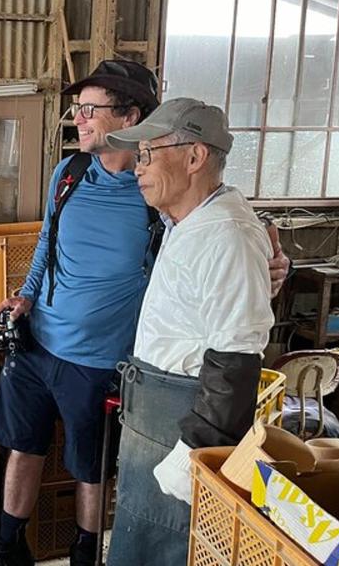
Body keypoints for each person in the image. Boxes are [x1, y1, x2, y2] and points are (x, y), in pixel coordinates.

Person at [0, 62, 289, 566]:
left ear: (131, 116)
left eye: (90, 109)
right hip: (44, 343)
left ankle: (85, 552)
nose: (78, 119)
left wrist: (265, 266)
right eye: (77, 108)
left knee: (94, 469)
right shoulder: (73, 176)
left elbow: (231, 293)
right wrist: (27, 296)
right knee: (26, 446)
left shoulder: (161, 200)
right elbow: (48, 242)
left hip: (105, 362)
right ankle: (7, 549)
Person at [103, 98, 274, 565]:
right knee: (138, 546)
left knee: (168, 547)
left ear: (195, 156)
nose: (138, 167)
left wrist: (193, 452)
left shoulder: (228, 235)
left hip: (180, 427)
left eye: (148, 153)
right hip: (154, 418)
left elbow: (237, 357)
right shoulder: (187, 222)